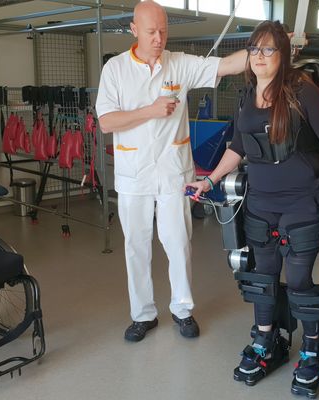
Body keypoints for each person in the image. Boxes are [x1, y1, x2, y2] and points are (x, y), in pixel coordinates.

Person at [186, 20, 319, 394]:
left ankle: (312, 348)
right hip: (260, 203)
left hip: (302, 202)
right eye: (254, 49)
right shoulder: (245, 98)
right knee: (263, 278)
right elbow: (237, 147)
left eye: (268, 50)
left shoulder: (302, 93)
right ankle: (266, 341)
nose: (259, 57)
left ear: (283, 55)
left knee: (302, 281)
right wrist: (209, 180)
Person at [95, 0, 247, 342]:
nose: (158, 38)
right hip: (134, 174)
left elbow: (225, 66)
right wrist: (150, 110)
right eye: (151, 32)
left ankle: (182, 309)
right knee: (136, 244)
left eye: (163, 30)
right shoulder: (116, 70)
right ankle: (143, 314)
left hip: (174, 173)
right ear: (133, 30)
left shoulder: (179, 64)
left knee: (178, 242)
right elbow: (106, 122)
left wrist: (268, 48)